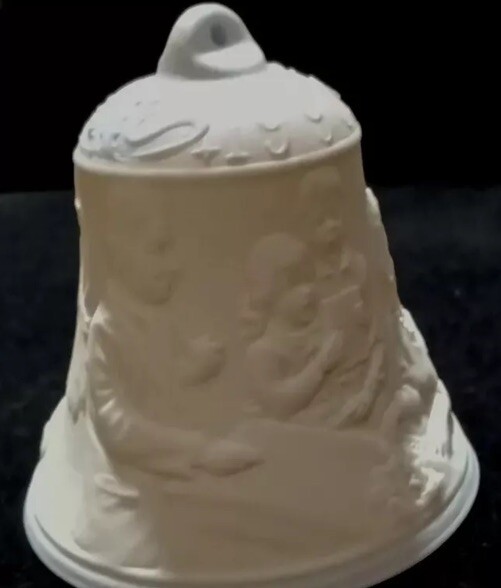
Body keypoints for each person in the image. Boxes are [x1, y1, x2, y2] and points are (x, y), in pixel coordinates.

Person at [242, 233, 343, 423]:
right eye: (295, 284)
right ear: (270, 293)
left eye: (310, 280)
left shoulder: (318, 338)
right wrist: (322, 364)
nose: (308, 290)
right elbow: (279, 405)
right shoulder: (262, 352)